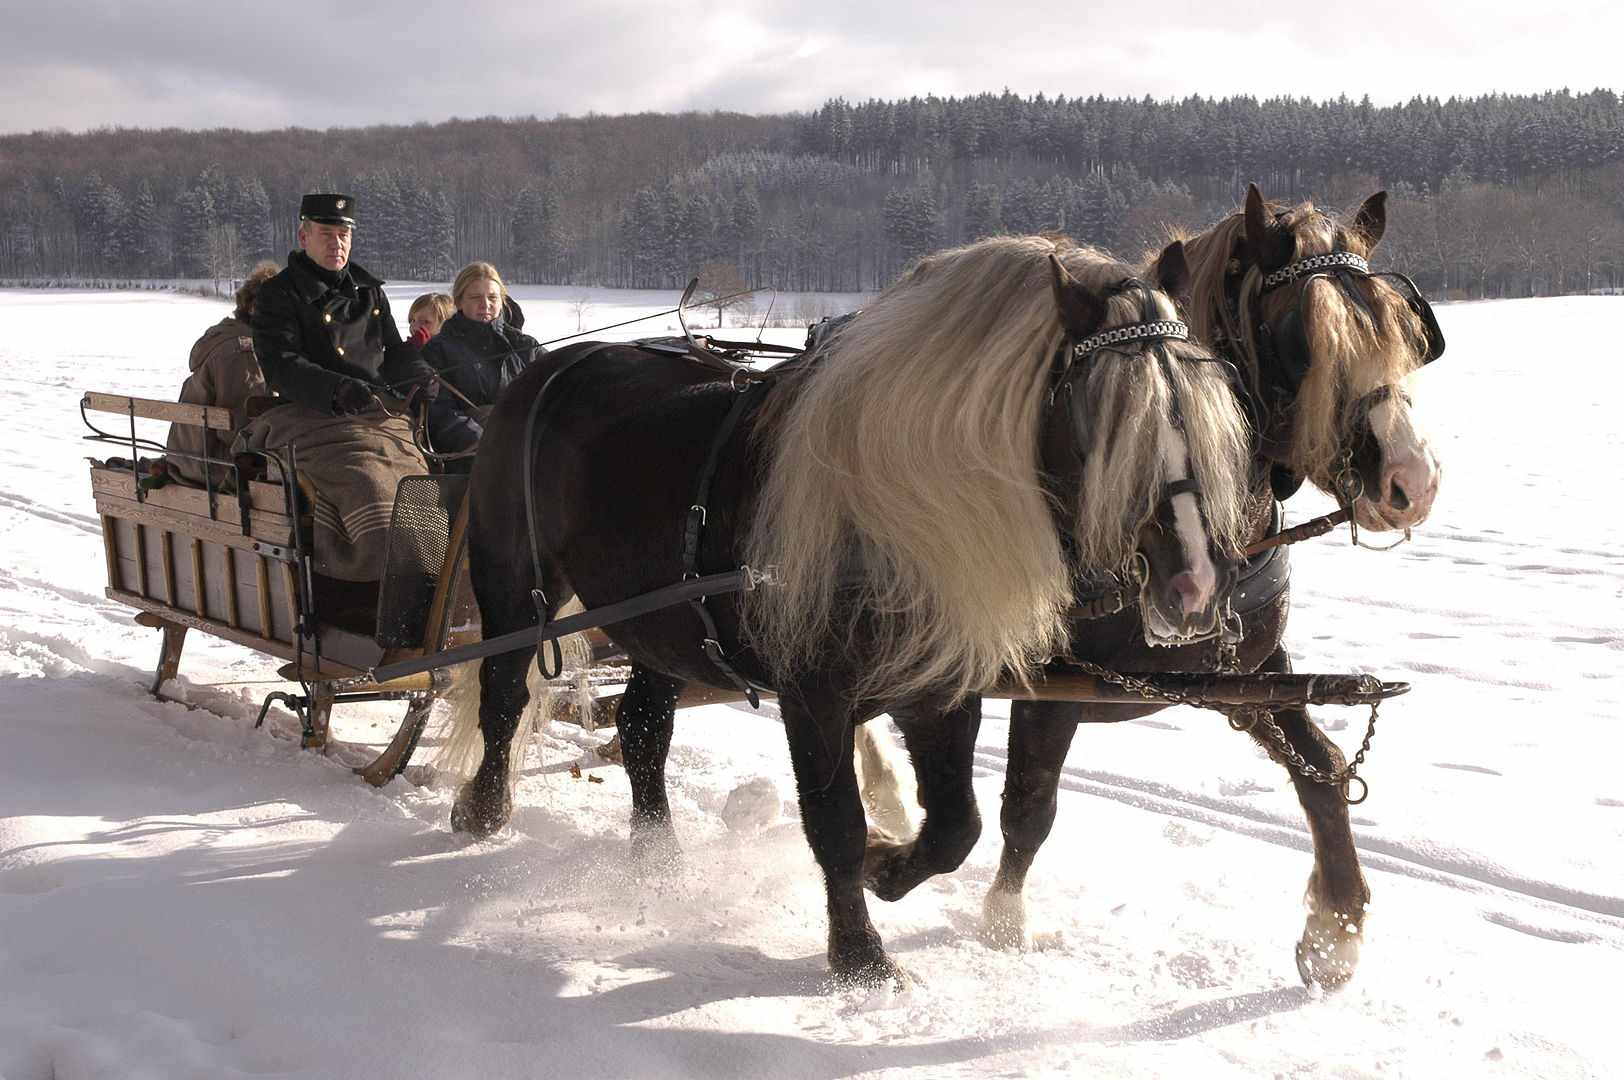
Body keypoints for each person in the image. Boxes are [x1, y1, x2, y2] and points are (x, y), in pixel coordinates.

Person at [244, 193, 476, 586]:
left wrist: (420, 375)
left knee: (424, 490)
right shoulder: (279, 295)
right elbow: (281, 364)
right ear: (304, 236)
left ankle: (440, 586)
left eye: (343, 234)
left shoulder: (369, 291)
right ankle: (386, 592)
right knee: (374, 487)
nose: (337, 243)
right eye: (326, 234)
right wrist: (335, 388)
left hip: (379, 419)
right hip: (310, 420)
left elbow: (396, 352)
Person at [164, 260, 279, 487]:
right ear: (255, 308)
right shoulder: (242, 352)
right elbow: (241, 429)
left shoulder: (229, 338)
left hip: (193, 459)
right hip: (212, 466)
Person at [420, 262, 546, 440]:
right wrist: (481, 442)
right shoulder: (437, 350)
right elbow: (439, 411)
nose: (485, 305)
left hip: (531, 443)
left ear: (502, 301)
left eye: (492, 298)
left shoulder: (526, 346)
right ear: (459, 301)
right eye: (476, 297)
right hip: (473, 452)